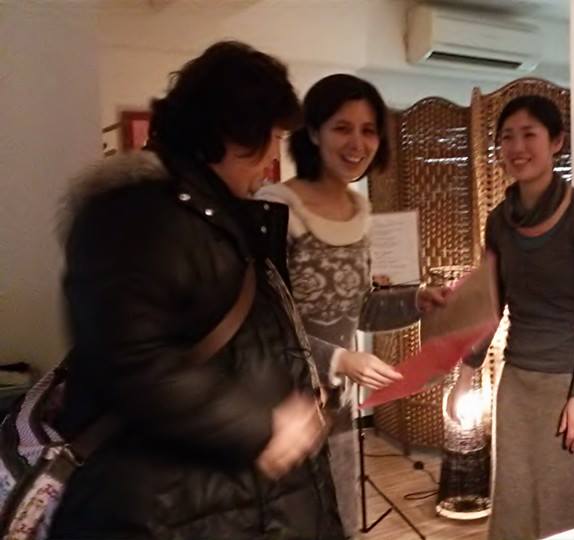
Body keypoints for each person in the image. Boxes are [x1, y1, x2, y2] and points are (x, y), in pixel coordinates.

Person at [50, 41, 382, 540]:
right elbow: (133, 361)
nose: (271, 157)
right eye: (270, 137)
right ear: (232, 132)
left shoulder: (219, 214)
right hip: (174, 507)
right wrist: (262, 425)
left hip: (234, 498)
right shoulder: (136, 217)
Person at [256, 73, 447, 536]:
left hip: (337, 410)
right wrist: (340, 359)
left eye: (368, 130)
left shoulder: (361, 213)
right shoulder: (277, 207)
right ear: (313, 132)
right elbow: (264, 322)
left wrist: (417, 301)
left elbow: (360, 310)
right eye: (342, 128)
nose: (357, 143)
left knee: (339, 522)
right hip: (281, 409)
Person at [446, 95, 574, 539]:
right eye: (507, 137)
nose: (517, 147)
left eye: (529, 134)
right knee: (520, 507)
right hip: (520, 387)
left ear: (556, 142)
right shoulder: (499, 222)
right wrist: (467, 372)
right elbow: (492, 303)